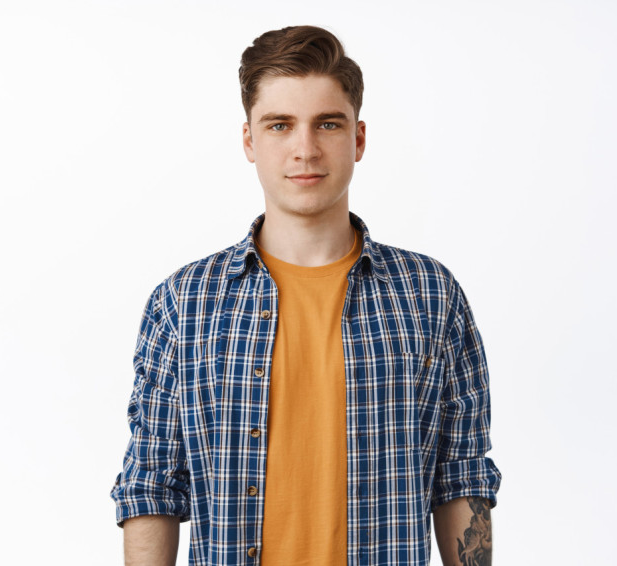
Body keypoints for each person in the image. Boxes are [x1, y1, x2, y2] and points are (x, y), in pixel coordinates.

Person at [110, 25, 501, 566]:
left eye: (327, 123)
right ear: (249, 140)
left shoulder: (430, 296)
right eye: (279, 125)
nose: (305, 148)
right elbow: (151, 482)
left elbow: (460, 475)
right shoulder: (184, 304)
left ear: (358, 138)